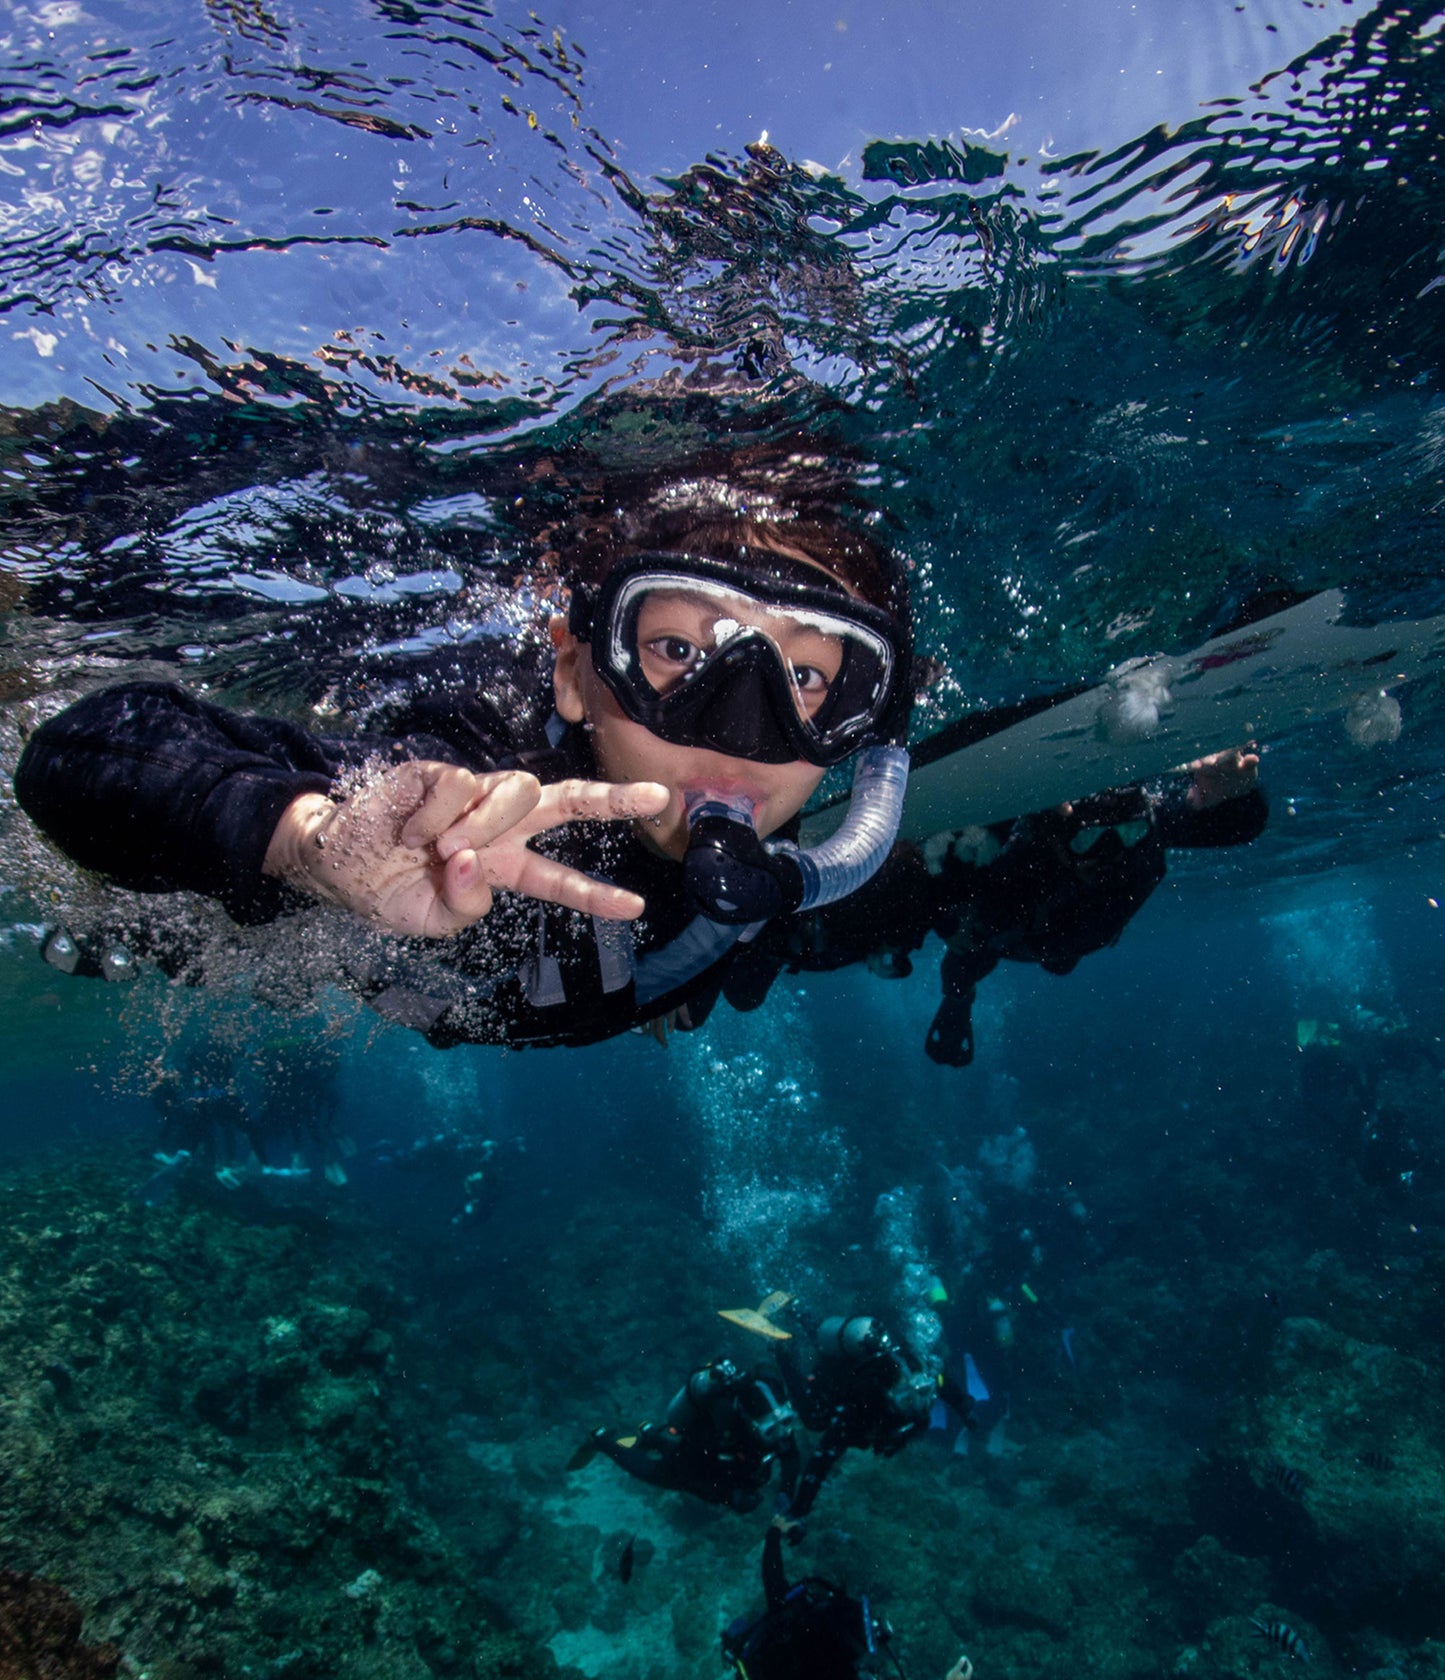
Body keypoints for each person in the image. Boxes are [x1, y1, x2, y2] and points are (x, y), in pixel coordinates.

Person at [13, 432, 1265, 1052]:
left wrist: (1147, 782)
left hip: (616, 991)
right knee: (208, 934)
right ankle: (118, 946)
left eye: (809, 678)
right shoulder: (476, 756)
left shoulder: (807, 856)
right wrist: (308, 839)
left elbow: (971, 796)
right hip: (375, 962)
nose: (741, 732)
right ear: (575, 666)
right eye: (678, 653)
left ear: (864, 726)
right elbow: (80, 750)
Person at [775, 1314, 974, 1521]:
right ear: (890, 1396)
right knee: (814, 1420)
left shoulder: (918, 1378)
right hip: (834, 1381)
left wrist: (964, 1408)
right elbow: (822, 1458)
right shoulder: (864, 1408)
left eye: (923, 1392)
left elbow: (943, 1383)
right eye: (907, 1399)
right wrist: (800, 1508)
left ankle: (800, 1315)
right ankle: (782, 1353)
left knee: (822, 1343)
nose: (919, 1403)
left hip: (859, 1360)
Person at [722, 1516, 973, 1680]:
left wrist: (774, 1532)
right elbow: (773, 1577)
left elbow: (772, 1576)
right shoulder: (837, 1670)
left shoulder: (789, 1620)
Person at [571, 1358, 800, 1513]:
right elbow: (692, 1474)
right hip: (698, 1455)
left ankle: (650, 1434)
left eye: (787, 1422)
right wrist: (731, 1497)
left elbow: (790, 1454)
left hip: (716, 1460)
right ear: (751, 1424)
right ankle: (600, 1440)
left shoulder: (774, 1418)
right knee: (655, 1472)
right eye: (771, 1430)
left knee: (685, 1457)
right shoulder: (724, 1430)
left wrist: (786, 1492)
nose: (781, 1435)